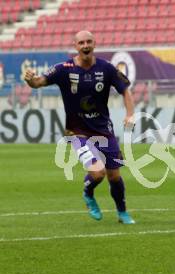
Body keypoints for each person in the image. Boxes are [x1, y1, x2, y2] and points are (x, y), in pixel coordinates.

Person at [24, 31, 135, 224]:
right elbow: (39, 82)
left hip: (103, 129)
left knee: (114, 175)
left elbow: (125, 90)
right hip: (77, 131)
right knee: (97, 172)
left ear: (94, 43)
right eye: (81, 42)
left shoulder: (106, 68)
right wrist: (30, 80)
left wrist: (130, 114)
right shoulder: (63, 69)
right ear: (75, 45)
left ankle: (122, 213)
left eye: (89, 41)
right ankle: (88, 192)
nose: (85, 45)